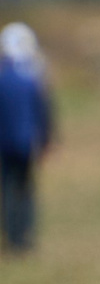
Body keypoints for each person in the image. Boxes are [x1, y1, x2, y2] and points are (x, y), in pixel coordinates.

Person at [0, 23, 54, 255]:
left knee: (8, 188)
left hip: (4, 143)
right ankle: (24, 236)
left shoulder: (2, 77)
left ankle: (12, 236)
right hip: (25, 143)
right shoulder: (32, 78)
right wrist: (45, 141)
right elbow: (43, 112)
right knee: (25, 188)